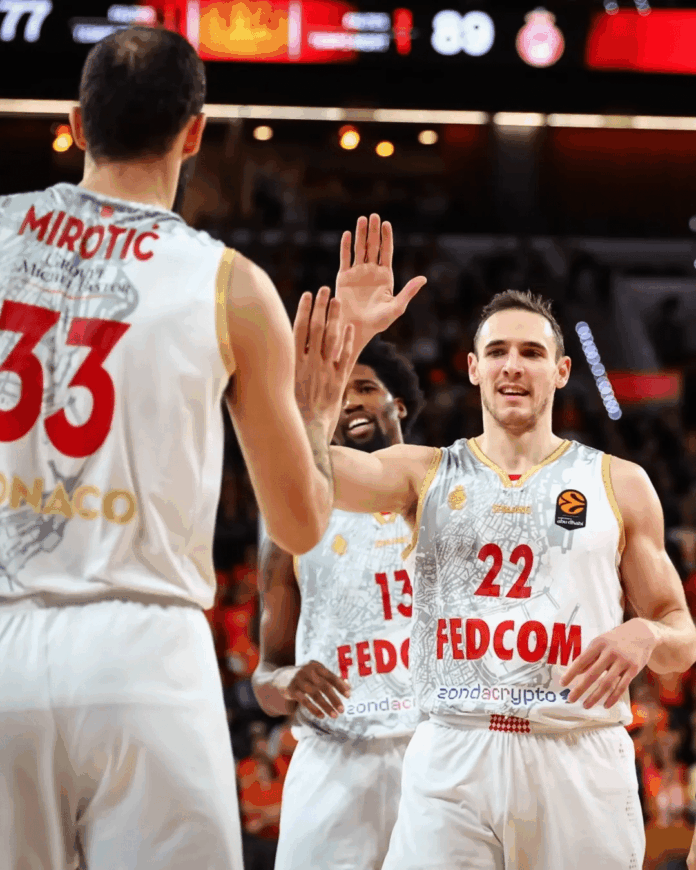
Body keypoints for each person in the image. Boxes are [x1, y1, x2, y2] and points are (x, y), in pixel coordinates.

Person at [0, 27, 422, 870]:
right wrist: (321, 397)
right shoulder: (230, 284)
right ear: (195, 133)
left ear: (76, 124)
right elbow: (300, 524)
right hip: (146, 651)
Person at [302, 284, 696, 869]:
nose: (513, 364)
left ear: (562, 371)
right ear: (473, 368)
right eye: (497, 351)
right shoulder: (423, 472)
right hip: (454, 745)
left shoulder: (619, 482)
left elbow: (680, 637)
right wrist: (353, 340)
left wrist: (648, 633)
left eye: (532, 352)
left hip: (576, 749)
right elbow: (305, 469)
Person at [253, 329, 426, 869]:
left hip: (434, 754)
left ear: (398, 404)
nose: (350, 401)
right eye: (338, 392)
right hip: (332, 764)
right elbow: (266, 679)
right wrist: (288, 680)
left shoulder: (447, 494)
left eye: (365, 387)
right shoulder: (290, 519)